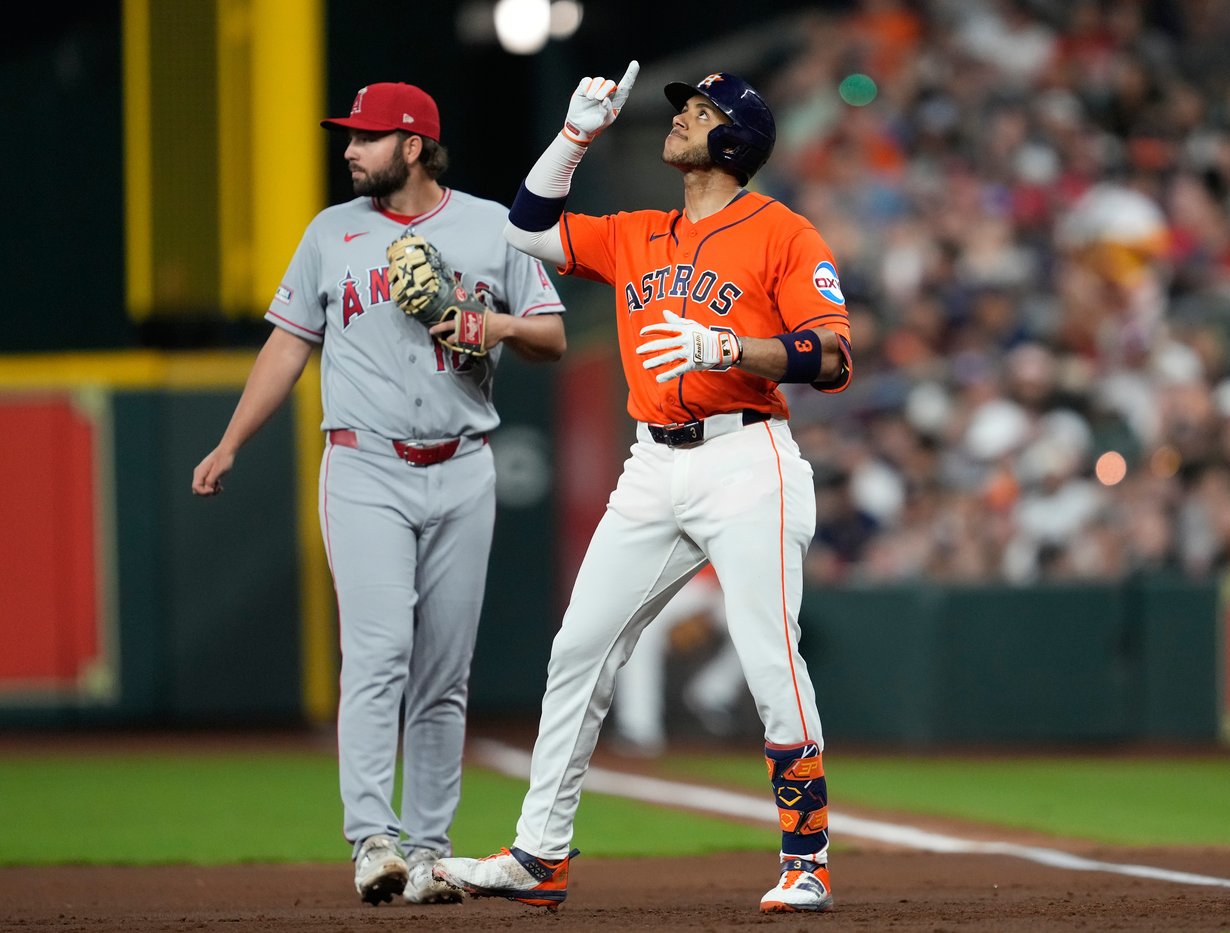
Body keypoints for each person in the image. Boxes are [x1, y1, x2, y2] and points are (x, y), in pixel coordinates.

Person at [432, 61, 853, 913]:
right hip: (653, 462)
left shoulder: (784, 234)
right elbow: (527, 229)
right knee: (580, 646)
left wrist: (735, 349)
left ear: (734, 140)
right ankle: (539, 854)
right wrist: (574, 134)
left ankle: (806, 857)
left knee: (769, 656)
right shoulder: (638, 232)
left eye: (697, 113)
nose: (680, 121)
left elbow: (834, 354)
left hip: (748, 456)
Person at [191, 81, 566, 906]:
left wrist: (489, 323)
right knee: (378, 655)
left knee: (443, 672)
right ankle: (372, 839)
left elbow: (551, 334)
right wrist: (230, 441)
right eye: (347, 136)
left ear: (412, 146)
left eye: (363, 137)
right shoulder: (331, 233)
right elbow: (287, 349)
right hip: (364, 465)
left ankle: (429, 851)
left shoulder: (490, 227)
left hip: (465, 462)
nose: (348, 149)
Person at [608, 565, 749, 757]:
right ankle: (639, 728)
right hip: (682, 584)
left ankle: (713, 694)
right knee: (639, 635)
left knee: (758, 629)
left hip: (729, 589)